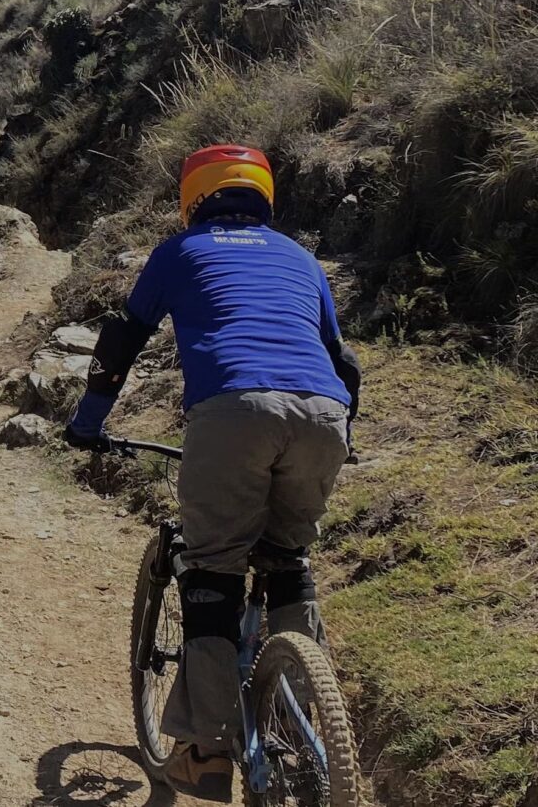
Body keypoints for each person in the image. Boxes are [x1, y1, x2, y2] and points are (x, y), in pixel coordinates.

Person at [63, 144, 360, 803]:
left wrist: (89, 419)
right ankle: (303, 720)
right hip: (324, 413)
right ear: (263, 195)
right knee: (288, 559)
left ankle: (203, 750)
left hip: (232, 412)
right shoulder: (301, 258)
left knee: (215, 571)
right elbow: (345, 363)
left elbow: (120, 344)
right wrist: (342, 436)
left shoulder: (178, 252)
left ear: (193, 196)